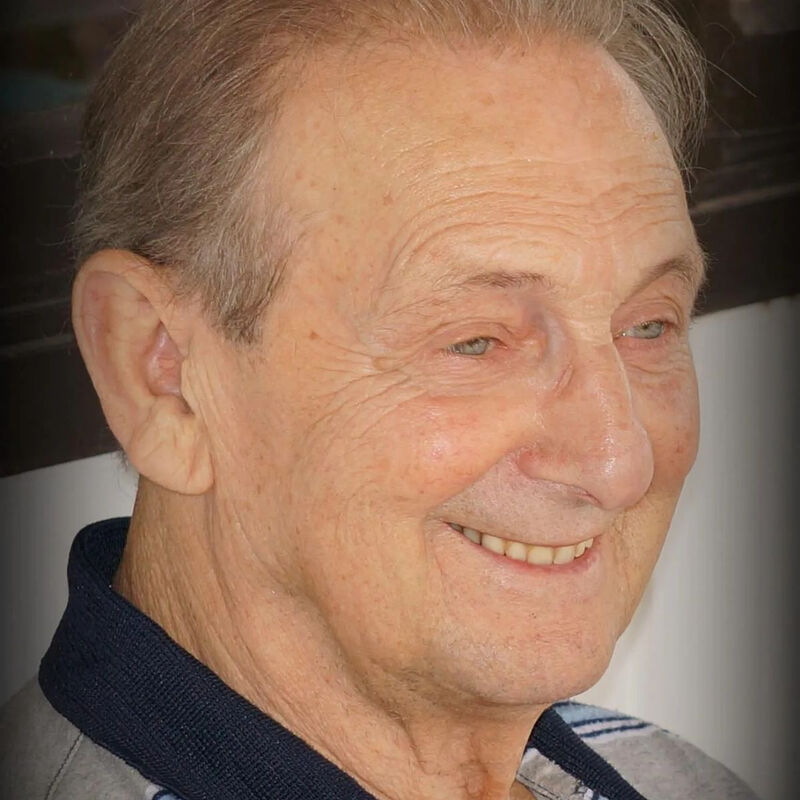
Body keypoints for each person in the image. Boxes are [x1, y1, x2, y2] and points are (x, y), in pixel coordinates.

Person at [0, 1, 761, 799]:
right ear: (161, 373)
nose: (619, 462)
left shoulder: (680, 780)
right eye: (475, 342)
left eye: (648, 326)